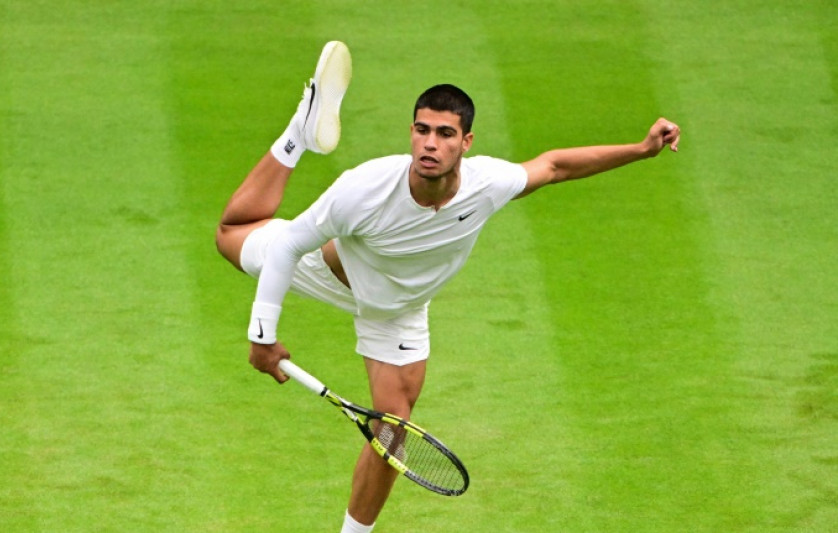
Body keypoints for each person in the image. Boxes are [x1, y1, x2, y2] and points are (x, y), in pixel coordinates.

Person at [215, 41, 681, 533]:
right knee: (231, 232)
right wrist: (262, 336)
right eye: (421, 131)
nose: (430, 144)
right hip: (328, 270)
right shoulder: (363, 187)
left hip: (399, 311)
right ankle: (299, 132)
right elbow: (288, 245)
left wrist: (641, 149)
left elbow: (555, 166)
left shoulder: (488, 184)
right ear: (410, 134)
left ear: (466, 141)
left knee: (392, 434)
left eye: (444, 133)